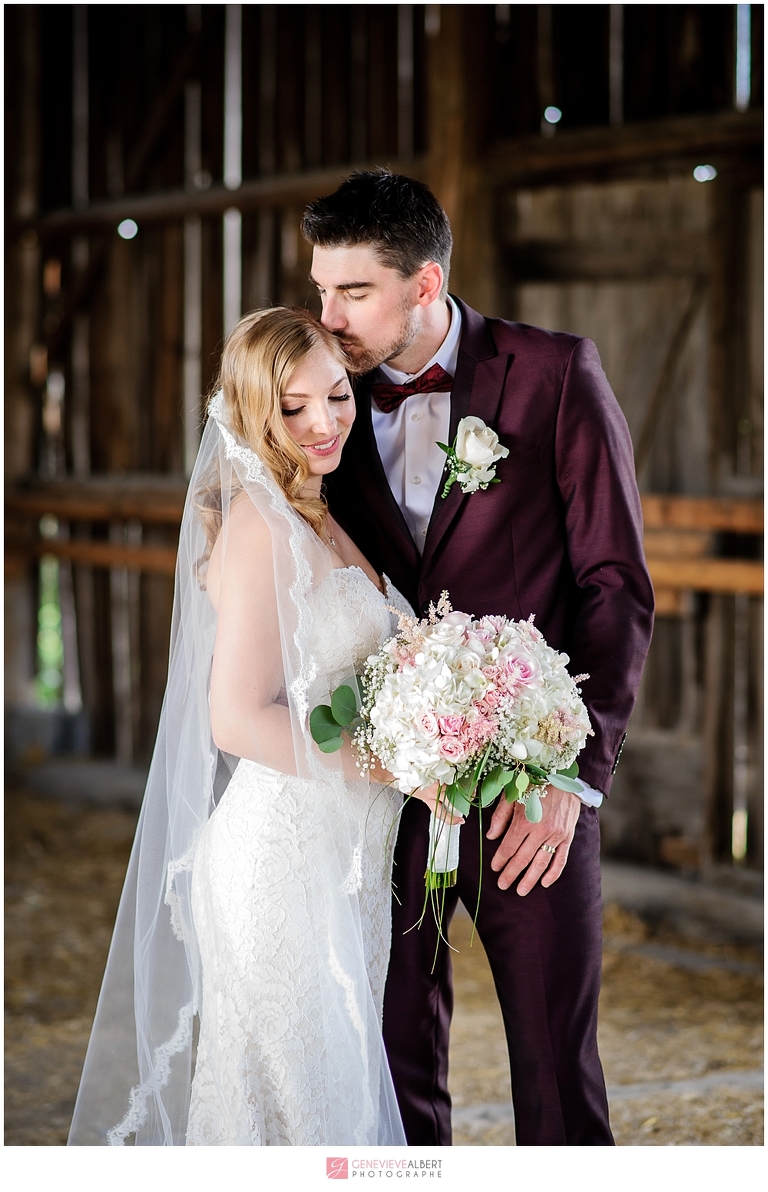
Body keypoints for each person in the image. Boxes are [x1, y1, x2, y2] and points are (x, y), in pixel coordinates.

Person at [302, 170, 655, 1146]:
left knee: (555, 1074)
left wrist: (574, 779)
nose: (325, 316)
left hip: (529, 792)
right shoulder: (318, 404)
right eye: (320, 289)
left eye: (352, 292)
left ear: (424, 284)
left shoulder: (553, 374)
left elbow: (614, 584)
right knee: (395, 1076)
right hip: (381, 792)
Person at [67, 307, 451, 1146]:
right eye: (292, 407)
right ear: (251, 410)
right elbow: (237, 718)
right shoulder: (257, 527)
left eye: (338, 396)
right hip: (278, 869)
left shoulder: (318, 508)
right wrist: (401, 764)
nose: (324, 422)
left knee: (318, 1111)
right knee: (310, 1121)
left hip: (343, 867)